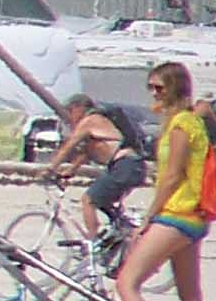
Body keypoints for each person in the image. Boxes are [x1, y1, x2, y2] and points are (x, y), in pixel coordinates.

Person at [115, 61, 211, 301]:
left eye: (160, 87)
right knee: (191, 297)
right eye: (151, 88)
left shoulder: (183, 124)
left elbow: (171, 176)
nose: (154, 94)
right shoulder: (187, 122)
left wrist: (147, 219)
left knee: (127, 282)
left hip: (178, 213)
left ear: (175, 87)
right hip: (193, 217)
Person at [45, 93, 150, 244]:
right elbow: (88, 151)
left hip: (125, 166)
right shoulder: (99, 123)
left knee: (88, 200)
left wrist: (50, 168)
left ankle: (92, 245)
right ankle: (119, 239)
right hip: (130, 166)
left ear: (79, 108)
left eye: (70, 110)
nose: (69, 116)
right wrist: (71, 170)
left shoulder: (90, 121)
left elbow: (69, 146)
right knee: (105, 204)